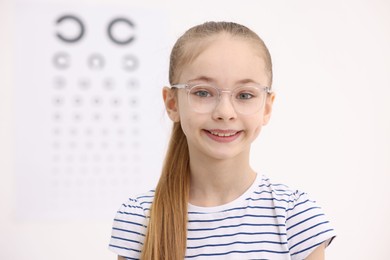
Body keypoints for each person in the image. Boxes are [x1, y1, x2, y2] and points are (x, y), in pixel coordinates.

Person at [108, 21, 336, 260]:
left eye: (245, 95)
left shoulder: (296, 216)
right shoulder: (139, 218)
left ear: (267, 107)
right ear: (172, 103)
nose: (225, 112)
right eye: (203, 92)